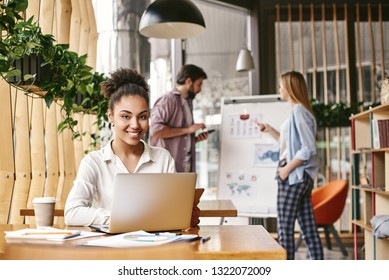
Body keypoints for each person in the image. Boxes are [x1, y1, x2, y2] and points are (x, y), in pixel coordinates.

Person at [64, 68, 200, 227]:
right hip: (108, 249)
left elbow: (172, 213)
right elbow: (72, 213)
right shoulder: (93, 162)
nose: (135, 125)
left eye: (142, 117)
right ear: (111, 116)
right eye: (126, 116)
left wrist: (185, 215)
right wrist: (123, 217)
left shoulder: (163, 158)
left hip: (154, 248)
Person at [253, 71, 324, 260]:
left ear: (290, 88)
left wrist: (286, 170)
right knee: (308, 229)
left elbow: (307, 149)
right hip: (301, 178)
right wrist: (269, 130)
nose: (279, 89)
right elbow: (289, 146)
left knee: (284, 230)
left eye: (281, 85)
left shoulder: (298, 112)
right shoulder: (300, 112)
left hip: (293, 177)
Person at [149, 64, 209, 173]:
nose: (200, 90)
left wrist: (193, 140)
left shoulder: (188, 102)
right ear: (189, 81)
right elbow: (155, 130)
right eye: (199, 84)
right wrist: (188, 130)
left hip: (185, 167)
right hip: (168, 171)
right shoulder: (167, 100)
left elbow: (178, 139)